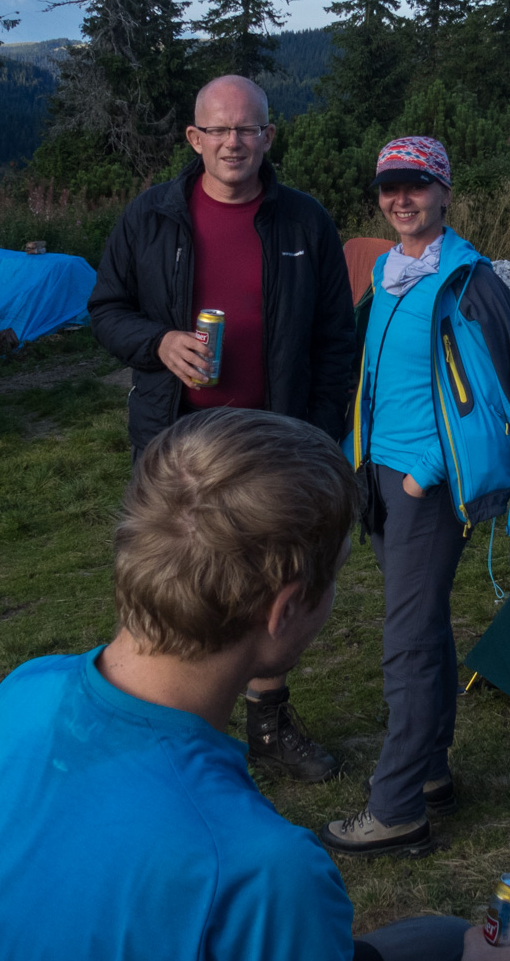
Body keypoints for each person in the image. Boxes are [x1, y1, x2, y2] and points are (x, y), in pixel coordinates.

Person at [0, 408, 510, 961]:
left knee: (432, 943)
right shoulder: (257, 873)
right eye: (337, 576)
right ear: (283, 609)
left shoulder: (20, 692)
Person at [88, 74, 355, 782]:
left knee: (277, 581)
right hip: (179, 444)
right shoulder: (151, 218)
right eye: (220, 129)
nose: (234, 142)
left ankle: (267, 726)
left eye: (248, 129)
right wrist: (158, 345)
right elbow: (105, 310)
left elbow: (336, 341)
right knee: (174, 583)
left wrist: (320, 436)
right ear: (194, 138)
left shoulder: (304, 221)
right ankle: (166, 726)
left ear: (269, 136)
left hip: (277, 439)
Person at [323, 136, 510, 858]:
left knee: (405, 645)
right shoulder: (386, 272)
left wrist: (430, 473)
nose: (401, 198)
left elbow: (500, 400)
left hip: (424, 488)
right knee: (425, 626)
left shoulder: (471, 283)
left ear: (444, 192)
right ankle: (433, 770)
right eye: (389, 187)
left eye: (416, 184)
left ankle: (397, 807)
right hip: (377, 478)